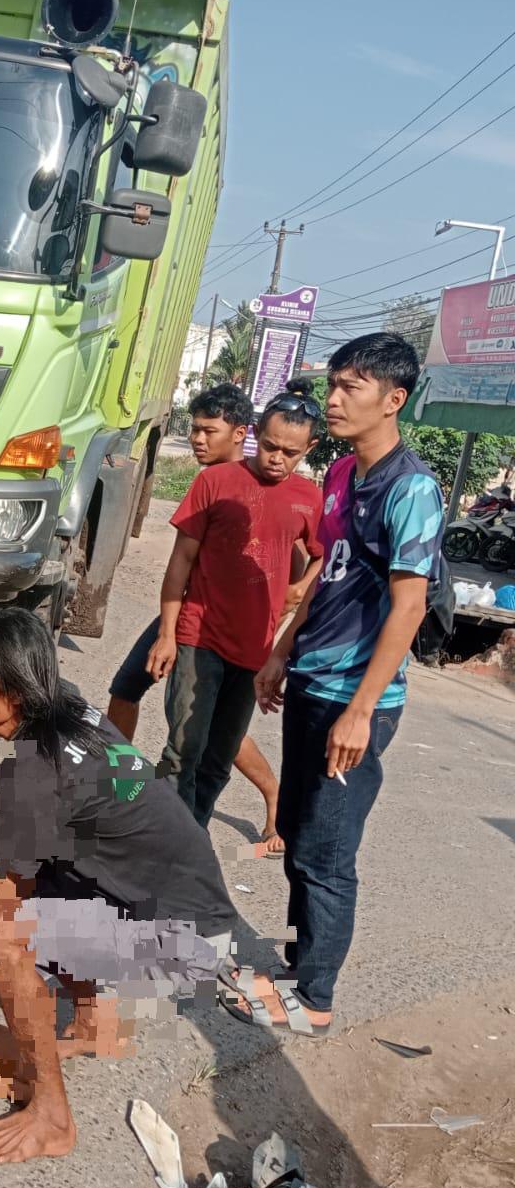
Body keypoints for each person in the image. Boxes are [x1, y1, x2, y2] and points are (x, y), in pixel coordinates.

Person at [0, 608, 236, 1165]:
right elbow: (7, 868)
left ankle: (52, 1117)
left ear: (13, 684)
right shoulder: (63, 703)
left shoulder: (37, 772)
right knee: (22, 877)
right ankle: (91, 1022)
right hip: (174, 904)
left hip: (184, 938)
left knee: (6, 932)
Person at [222, 333, 444, 1037]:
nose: (335, 397)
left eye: (352, 387)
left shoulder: (413, 488)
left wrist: (362, 709)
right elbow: (330, 573)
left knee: (327, 850)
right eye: (336, 383)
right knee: (298, 832)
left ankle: (314, 998)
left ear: (394, 399)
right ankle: (295, 969)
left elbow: (408, 605)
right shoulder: (345, 473)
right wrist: (284, 649)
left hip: (358, 698)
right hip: (313, 679)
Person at [107, 383, 313, 855]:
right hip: (193, 620)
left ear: (240, 433)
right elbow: (181, 560)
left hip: (238, 636)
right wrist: (168, 631)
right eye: (194, 429)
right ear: (257, 437)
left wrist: (295, 596)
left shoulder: (288, 493)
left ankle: (242, 806)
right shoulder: (215, 483)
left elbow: (300, 556)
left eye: (208, 431)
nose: (198, 439)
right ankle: (129, 795)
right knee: (178, 732)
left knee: (218, 742)